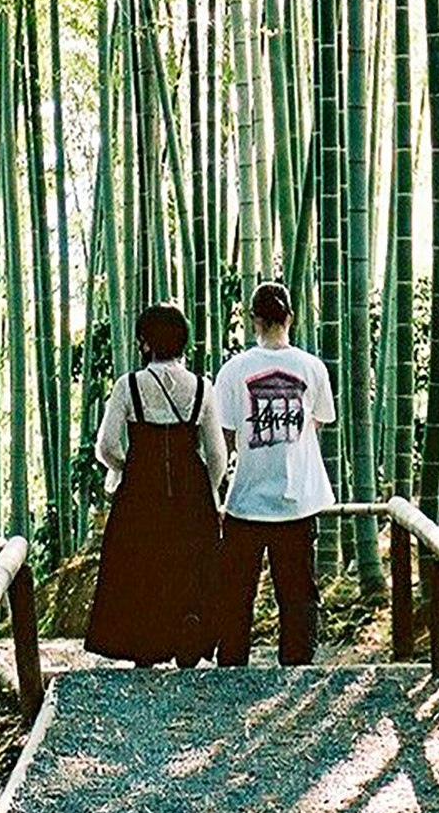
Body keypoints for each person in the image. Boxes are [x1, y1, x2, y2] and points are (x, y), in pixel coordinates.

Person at [85, 303, 225, 668]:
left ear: (145, 343)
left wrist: (127, 468)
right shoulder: (202, 388)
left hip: (141, 490)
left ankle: (145, 643)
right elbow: (218, 454)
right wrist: (204, 493)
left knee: (142, 566)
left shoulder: (128, 386)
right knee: (189, 566)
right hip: (190, 488)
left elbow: (106, 446)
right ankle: (189, 626)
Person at [212, 282, 335, 667]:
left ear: (255, 320)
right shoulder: (312, 367)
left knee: (236, 591)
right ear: (290, 318)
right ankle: (297, 666)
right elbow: (317, 423)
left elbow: (226, 437)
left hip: (246, 500)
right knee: (298, 592)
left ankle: (232, 665)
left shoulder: (233, 370)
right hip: (299, 499)